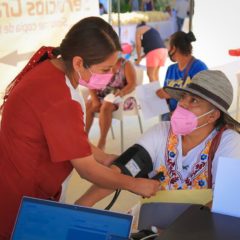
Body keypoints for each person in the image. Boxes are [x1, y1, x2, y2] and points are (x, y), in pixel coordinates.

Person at [0, 17, 160, 239]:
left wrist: (103, 157)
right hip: (23, 202)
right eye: (104, 69)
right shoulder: (60, 98)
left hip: (14, 183)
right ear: (78, 63)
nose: (110, 76)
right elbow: (87, 170)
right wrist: (134, 184)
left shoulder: (50, 67)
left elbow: (67, 135)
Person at [75, 70, 240, 210]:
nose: (182, 104)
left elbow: (226, 202)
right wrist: (80, 206)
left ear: (213, 115)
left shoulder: (229, 142)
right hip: (153, 225)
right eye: (183, 97)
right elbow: (122, 170)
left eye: (194, 101)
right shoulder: (162, 131)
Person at [85, 55, 137, 150]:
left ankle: (102, 141)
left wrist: (122, 92)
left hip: (121, 95)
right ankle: (84, 137)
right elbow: (91, 83)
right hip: (103, 94)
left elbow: (132, 84)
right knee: (89, 104)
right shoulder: (99, 62)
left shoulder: (125, 64)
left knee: (106, 105)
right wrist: (95, 100)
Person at [156, 31, 208, 120]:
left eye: (168, 47)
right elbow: (166, 93)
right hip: (171, 115)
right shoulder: (171, 69)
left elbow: (203, 96)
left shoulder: (199, 67)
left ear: (174, 48)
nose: (167, 50)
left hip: (191, 118)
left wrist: (172, 95)